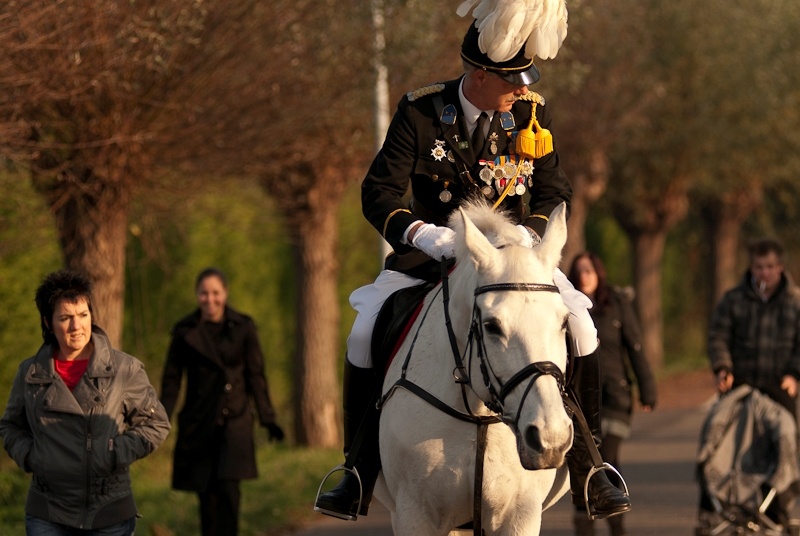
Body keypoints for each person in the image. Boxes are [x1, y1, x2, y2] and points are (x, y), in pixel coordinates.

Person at [314, 22, 631, 522]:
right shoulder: (419, 111)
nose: (521, 90)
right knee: (363, 330)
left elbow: (553, 190)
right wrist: (423, 234)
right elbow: (379, 192)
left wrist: (526, 235)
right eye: (512, 81)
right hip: (432, 258)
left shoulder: (531, 111)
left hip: (514, 260)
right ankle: (356, 469)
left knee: (583, 326)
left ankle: (589, 469)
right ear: (479, 74)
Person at [0, 269, 171, 536]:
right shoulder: (30, 373)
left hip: (109, 510)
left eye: (83, 315)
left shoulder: (123, 369)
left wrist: (113, 452)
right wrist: (34, 456)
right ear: (48, 322)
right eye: (65, 318)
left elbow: (156, 424)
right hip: (48, 512)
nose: (76, 326)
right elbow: (10, 426)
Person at [160, 267, 284, 536]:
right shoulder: (184, 331)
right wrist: (160, 419)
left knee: (229, 491)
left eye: (215, 293)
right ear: (197, 295)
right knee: (207, 496)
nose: (210, 299)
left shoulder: (244, 327)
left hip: (234, 422)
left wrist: (268, 418)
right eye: (204, 293)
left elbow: (255, 376)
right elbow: (171, 380)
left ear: (225, 294)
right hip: (199, 422)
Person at [702, 238, 800, 527]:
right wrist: (723, 368)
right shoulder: (733, 300)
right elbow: (718, 337)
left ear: (780, 268)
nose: (764, 273)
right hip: (740, 388)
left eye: (770, 267)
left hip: (779, 389)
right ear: (751, 268)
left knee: (785, 441)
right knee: (715, 440)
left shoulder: (794, 302)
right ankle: (713, 508)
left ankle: (778, 510)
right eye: (759, 267)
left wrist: (794, 374)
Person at [568, 252, 658, 536]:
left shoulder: (617, 305)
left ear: (598, 273)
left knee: (605, 457)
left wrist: (648, 390)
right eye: (579, 271)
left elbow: (635, 347)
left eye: (589, 270)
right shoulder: (566, 307)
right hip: (580, 399)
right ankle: (584, 525)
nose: (584, 276)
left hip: (615, 397)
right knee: (583, 461)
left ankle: (617, 527)